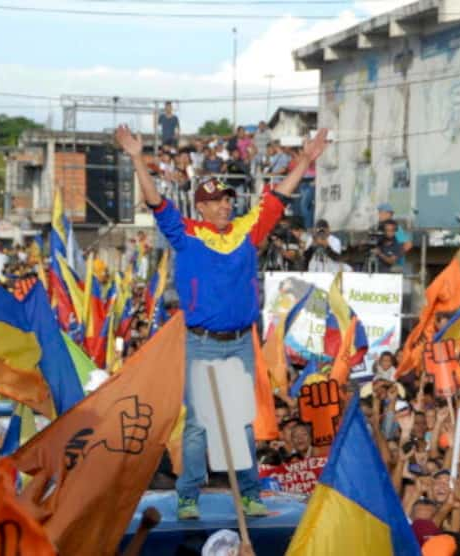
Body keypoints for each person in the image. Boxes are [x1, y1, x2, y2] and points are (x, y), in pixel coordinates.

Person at [115, 123, 328, 520]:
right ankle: (188, 496)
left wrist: (306, 160)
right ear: (202, 207)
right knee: (198, 424)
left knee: (241, 422)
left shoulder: (248, 229)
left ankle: (248, 493)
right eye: (217, 201)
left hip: (239, 343)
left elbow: (280, 194)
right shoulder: (185, 233)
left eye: (229, 199)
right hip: (202, 341)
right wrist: (136, 159)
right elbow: (155, 200)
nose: (226, 205)